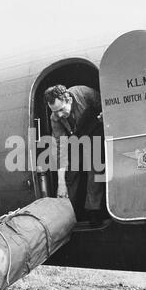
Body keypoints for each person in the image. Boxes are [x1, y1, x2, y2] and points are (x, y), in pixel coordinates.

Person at [44, 84, 105, 224]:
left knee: (94, 168)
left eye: (61, 110)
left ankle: (94, 212)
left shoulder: (85, 93)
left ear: (69, 100)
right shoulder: (55, 118)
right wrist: (61, 183)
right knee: (70, 174)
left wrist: (104, 115)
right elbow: (61, 148)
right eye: (55, 112)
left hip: (95, 130)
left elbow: (108, 104)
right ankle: (67, 215)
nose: (59, 115)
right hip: (76, 137)